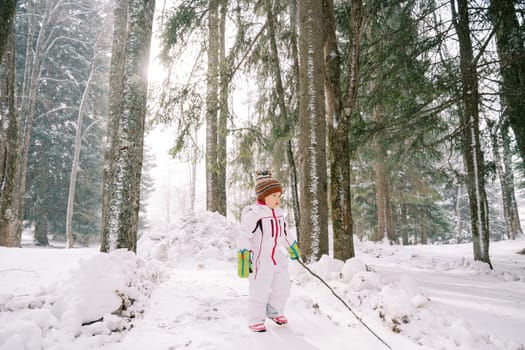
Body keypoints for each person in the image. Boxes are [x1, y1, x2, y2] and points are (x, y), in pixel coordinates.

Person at [237, 170, 300, 332]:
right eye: (273, 196)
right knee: (259, 290)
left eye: (279, 196)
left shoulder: (279, 215)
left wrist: (292, 248)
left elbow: (285, 234)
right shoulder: (255, 215)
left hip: (277, 259)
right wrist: (244, 258)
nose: (277, 200)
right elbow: (244, 235)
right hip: (260, 261)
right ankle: (255, 319)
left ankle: (274, 310)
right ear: (263, 196)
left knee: (284, 286)